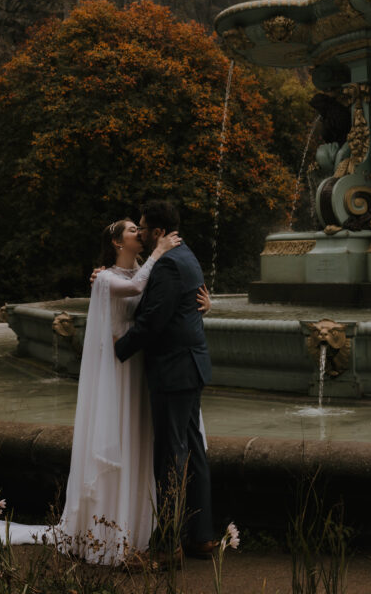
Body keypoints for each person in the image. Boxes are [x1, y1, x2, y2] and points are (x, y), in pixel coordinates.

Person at [0, 216, 210, 567]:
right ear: (118, 243)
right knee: (121, 438)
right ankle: (112, 532)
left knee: (145, 442)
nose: (139, 233)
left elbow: (164, 299)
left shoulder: (149, 270)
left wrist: (206, 305)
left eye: (139, 228)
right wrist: (160, 251)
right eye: (132, 230)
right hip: (120, 367)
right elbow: (136, 290)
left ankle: (147, 527)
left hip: (142, 366)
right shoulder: (105, 278)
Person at [115, 200, 217, 560]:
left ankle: (168, 543)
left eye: (142, 227)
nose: (140, 232)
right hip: (190, 366)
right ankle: (201, 537)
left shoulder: (170, 264)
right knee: (193, 449)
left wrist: (117, 349)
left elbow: (154, 320)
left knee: (171, 453)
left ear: (157, 231)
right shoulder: (185, 255)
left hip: (174, 369)